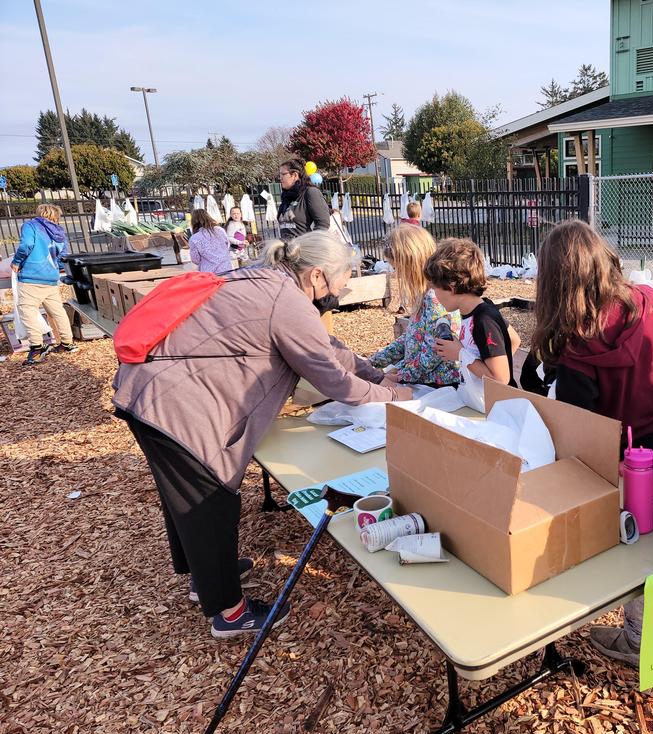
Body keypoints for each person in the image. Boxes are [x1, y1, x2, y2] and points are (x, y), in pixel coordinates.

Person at [112, 230, 412, 639]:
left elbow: (329, 348)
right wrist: (392, 395)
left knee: (184, 497)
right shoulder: (285, 302)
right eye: (341, 284)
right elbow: (334, 381)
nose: (339, 294)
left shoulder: (265, 278)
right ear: (319, 277)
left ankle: (206, 576)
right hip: (174, 404)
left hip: (152, 390)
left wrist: (376, 375)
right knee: (209, 501)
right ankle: (228, 612)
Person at [527, 220, 653, 667]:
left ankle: (640, 639)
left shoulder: (576, 342)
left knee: (637, 553)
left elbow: (580, 425)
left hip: (635, 463)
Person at [368, 224, 461, 386]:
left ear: (411, 264)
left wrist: (399, 375)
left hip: (437, 385)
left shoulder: (435, 298)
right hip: (422, 377)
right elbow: (412, 337)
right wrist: (374, 361)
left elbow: (433, 354)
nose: (396, 273)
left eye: (397, 267)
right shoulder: (425, 293)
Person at [426, 238, 520, 387]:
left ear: (451, 287)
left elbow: (501, 379)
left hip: (493, 406)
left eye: (435, 288)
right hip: (478, 400)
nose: (434, 295)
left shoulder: (483, 320)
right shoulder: (478, 311)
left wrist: (461, 355)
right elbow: (514, 339)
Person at [11, 203, 76, 365]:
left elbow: (26, 245)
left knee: (28, 311)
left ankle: (37, 348)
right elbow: (63, 255)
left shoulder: (31, 226)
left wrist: (17, 261)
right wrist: (58, 268)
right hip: (51, 277)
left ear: (40, 213)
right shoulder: (59, 232)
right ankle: (67, 343)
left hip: (32, 277)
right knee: (57, 311)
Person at [277, 158, 330, 240]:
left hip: (303, 250)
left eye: (283, 174)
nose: (280, 178)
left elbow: (323, 223)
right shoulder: (286, 197)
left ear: (294, 175)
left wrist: (309, 244)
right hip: (286, 250)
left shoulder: (311, 192)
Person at [188, 208, 233, 274]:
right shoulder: (220, 230)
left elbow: (195, 260)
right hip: (226, 268)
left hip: (209, 273)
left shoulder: (194, 238)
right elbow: (227, 245)